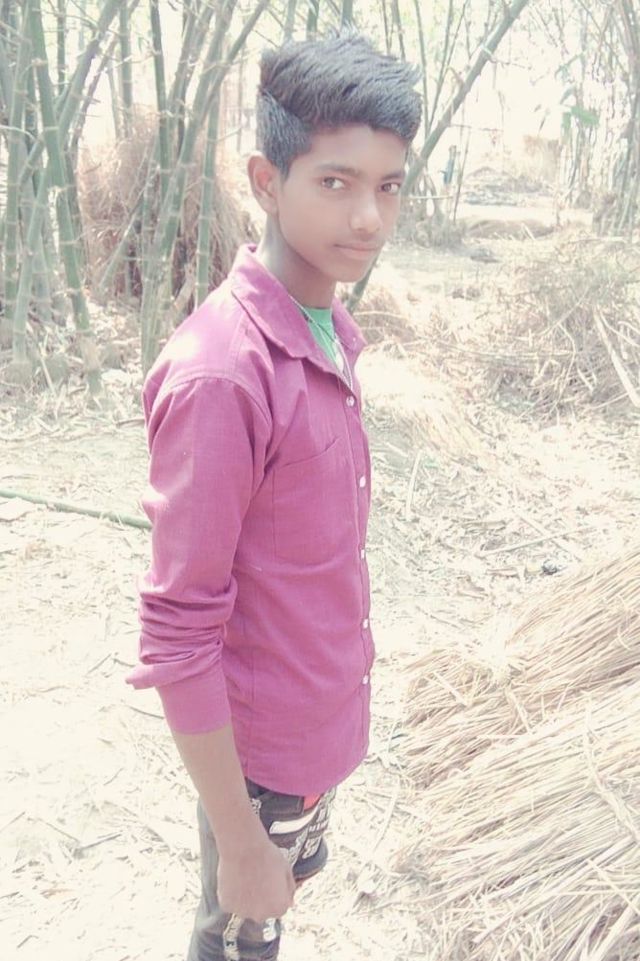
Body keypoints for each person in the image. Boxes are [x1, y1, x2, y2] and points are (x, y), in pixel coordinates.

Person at [127, 31, 421, 961]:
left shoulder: (324, 325)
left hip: (310, 734)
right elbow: (177, 632)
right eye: (335, 182)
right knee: (239, 934)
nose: (368, 217)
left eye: (388, 186)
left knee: (275, 915)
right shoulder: (225, 373)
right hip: (256, 770)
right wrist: (241, 840)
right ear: (266, 179)